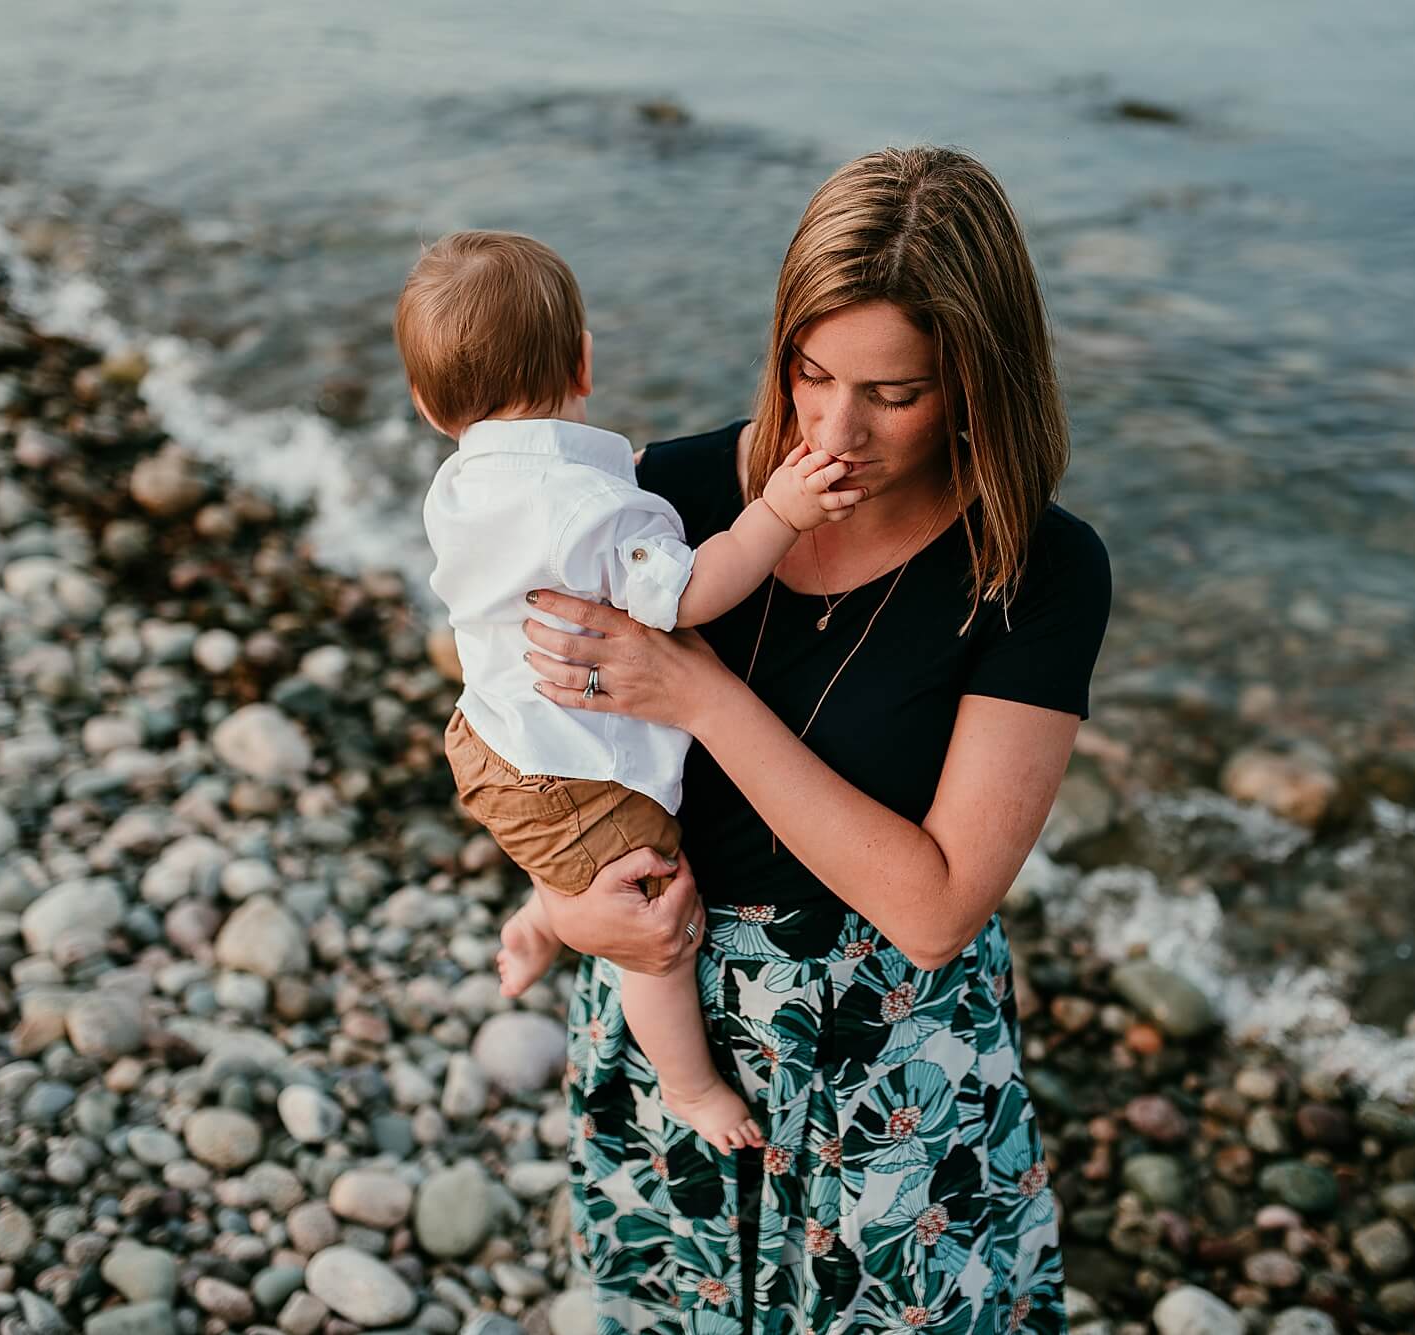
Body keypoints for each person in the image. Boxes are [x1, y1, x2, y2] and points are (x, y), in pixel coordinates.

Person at [515, 146, 1111, 1334]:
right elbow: (532, 734)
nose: (834, 431)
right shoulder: (659, 501)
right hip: (663, 1020)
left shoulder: (1035, 572)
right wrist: (557, 904)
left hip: (892, 1060)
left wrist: (703, 700)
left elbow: (936, 908)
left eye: (894, 394)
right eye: (811, 372)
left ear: (980, 383)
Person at [397, 230, 866, 1154]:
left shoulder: (457, 490)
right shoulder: (599, 505)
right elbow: (683, 591)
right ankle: (690, 1085)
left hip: (486, 738)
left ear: (424, 403)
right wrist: (777, 513)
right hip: (571, 774)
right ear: (584, 360)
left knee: (578, 865)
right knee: (656, 923)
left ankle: (539, 917)